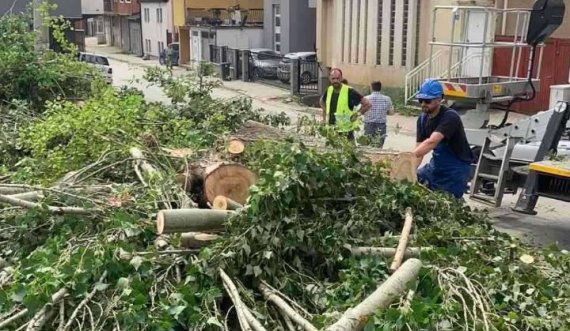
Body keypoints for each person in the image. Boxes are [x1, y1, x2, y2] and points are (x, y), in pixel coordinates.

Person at [413, 79, 474, 199]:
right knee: (418, 178)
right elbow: (419, 152)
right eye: (421, 100)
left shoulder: (450, 117)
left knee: (449, 203)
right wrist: (409, 169)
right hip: (437, 165)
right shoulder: (422, 119)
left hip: (456, 169)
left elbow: (432, 142)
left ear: (439, 99)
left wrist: (405, 157)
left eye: (427, 100)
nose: (423, 104)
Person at [320, 69, 371, 142]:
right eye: (333, 78)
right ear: (329, 79)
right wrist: (324, 117)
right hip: (331, 130)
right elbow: (322, 102)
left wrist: (357, 114)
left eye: (337, 78)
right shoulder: (329, 90)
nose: (335, 81)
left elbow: (367, 104)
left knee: (349, 152)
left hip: (346, 132)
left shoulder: (349, 91)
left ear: (341, 78)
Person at [363, 81, 393, 148]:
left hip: (368, 125)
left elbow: (360, 111)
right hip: (381, 125)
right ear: (380, 88)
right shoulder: (387, 99)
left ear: (371, 88)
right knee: (378, 147)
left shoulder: (366, 98)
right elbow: (391, 113)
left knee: (367, 147)